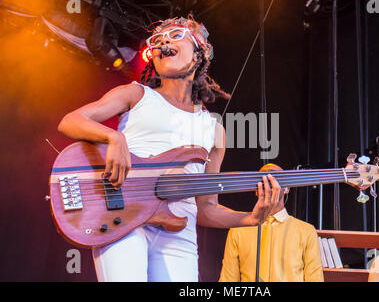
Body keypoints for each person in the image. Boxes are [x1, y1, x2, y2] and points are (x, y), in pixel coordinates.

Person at [57, 16, 283, 282]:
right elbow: (70, 121)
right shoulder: (136, 94)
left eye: (175, 35)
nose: (163, 41)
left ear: (199, 53)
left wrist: (252, 218)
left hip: (179, 236)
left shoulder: (214, 130)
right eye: (156, 40)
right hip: (124, 219)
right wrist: (113, 138)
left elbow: (207, 208)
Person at [219, 165, 324, 282]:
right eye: (262, 180)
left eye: (276, 178)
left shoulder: (306, 231)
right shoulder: (237, 230)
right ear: (256, 190)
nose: (270, 183)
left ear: (287, 188)